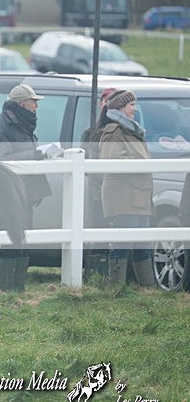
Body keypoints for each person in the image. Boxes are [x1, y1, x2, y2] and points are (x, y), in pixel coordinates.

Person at [0, 84, 52, 291]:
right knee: (10, 238)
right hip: (9, 192)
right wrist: (33, 155)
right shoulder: (2, 125)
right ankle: (7, 288)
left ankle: (18, 288)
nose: (36, 106)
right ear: (23, 104)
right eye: (34, 102)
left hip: (24, 191)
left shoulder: (21, 123)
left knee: (23, 239)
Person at [98, 90, 156, 287]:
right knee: (122, 243)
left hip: (139, 195)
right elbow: (111, 161)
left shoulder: (133, 131)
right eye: (131, 105)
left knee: (143, 243)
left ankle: (147, 289)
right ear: (120, 108)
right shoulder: (114, 131)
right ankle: (117, 288)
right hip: (123, 196)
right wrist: (140, 163)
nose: (134, 109)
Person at [80, 87, 119, 277]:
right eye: (107, 101)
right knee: (97, 231)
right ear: (101, 103)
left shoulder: (126, 131)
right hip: (98, 192)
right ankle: (97, 274)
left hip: (119, 191)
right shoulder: (91, 133)